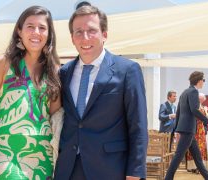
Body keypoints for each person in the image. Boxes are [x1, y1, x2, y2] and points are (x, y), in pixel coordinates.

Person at [54, 5, 148, 180]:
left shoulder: (128, 70)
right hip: (68, 169)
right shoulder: (64, 73)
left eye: (92, 30)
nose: (85, 37)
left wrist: (135, 172)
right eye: (79, 32)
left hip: (110, 169)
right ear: (72, 38)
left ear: (104, 34)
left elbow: (138, 124)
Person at [0, 6, 61, 180]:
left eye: (42, 28)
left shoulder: (55, 70)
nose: (36, 32)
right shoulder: (2, 64)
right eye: (30, 26)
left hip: (42, 155)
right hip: (6, 152)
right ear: (19, 31)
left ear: (49, 34)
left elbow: (56, 116)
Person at [165, 71, 208, 180]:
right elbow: (194, 110)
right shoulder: (193, 92)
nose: (204, 82)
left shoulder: (184, 92)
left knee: (198, 158)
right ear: (199, 81)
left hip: (187, 129)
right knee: (178, 156)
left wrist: (176, 129)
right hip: (188, 129)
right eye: (203, 80)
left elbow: (178, 112)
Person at [186, 93, 208, 174]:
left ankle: (198, 167)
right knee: (196, 147)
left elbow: (206, 118)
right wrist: (205, 111)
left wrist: (205, 111)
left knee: (200, 147)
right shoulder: (196, 106)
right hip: (196, 129)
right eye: (202, 99)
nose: (203, 100)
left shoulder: (201, 106)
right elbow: (200, 116)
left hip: (200, 129)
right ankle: (195, 167)